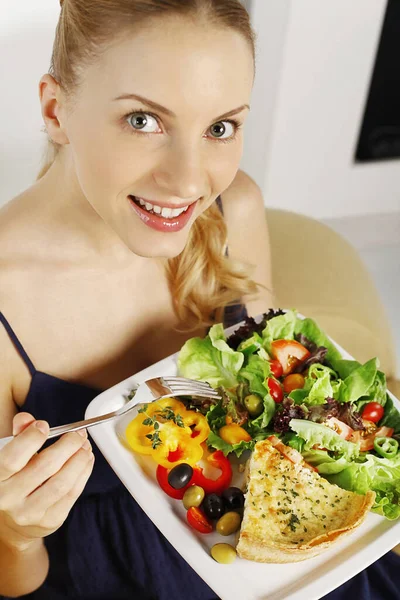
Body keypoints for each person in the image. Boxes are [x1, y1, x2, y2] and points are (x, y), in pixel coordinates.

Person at [0, 1, 398, 599]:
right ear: (56, 109)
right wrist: (15, 533)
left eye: (220, 127)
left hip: (290, 554)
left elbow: (276, 389)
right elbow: (16, 582)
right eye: (143, 120)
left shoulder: (234, 209)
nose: (190, 183)